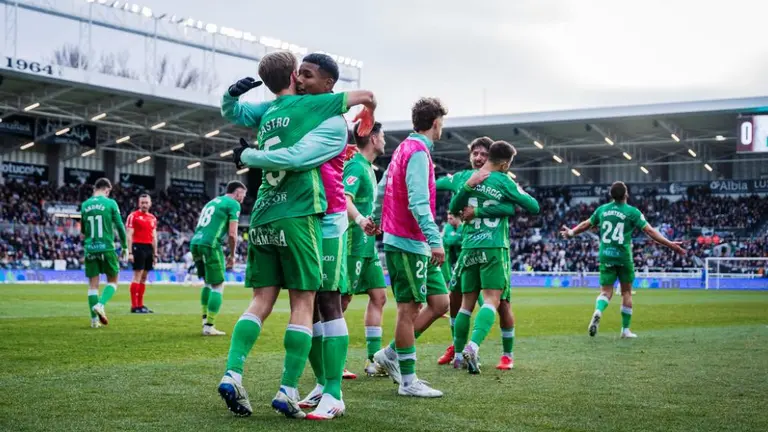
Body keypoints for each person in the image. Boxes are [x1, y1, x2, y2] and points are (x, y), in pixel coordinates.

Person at [216, 50, 376, 420]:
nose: (301, 79)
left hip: (304, 214)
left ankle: (326, 389)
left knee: (313, 301)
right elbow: (297, 152)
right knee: (310, 303)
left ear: (326, 84)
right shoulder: (306, 110)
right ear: (291, 75)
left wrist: (247, 152)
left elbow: (292, 148)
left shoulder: (308, 114)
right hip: (301, 212)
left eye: (308, 74)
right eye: (298, 73)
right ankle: (308, 386)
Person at [371, 97, 450, 398]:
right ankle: (408, 381)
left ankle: (392, 354)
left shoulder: (404, 148)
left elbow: (382, 188)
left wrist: (376, 219)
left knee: (440, 303)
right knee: (408, 309)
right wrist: (435, 239)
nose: (442, 127)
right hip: (408, 241)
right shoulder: (417, 152)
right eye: (442, 122)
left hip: (409, 240)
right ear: (435, 123)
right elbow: (418, 200)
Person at [448, 141, 540, 374]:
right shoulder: (503, 180)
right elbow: (533, 206)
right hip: (494, 246)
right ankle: (474, 346)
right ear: (506, 163)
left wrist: (473, 199)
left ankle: (458, 356)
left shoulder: (467, 178)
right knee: (492, 301)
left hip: (469, 248)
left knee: (466, 306)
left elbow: (452, 205)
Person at [560, 181, 685, 338]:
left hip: (605, 255)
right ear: (626, 194)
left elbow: (586, 224)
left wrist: (571, 233)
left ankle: (598, 310)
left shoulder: (602, 210)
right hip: (623, 257)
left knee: (605, 292)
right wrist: (671, 245)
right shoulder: (632, 212)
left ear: (611, 195)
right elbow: (650, 231)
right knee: (626, 292)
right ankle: (625, 330)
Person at [434, 137, 518, 366]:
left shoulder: (502, 179)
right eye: (475, 153)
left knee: (502, 303)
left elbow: (514, 206)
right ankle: (458, 348)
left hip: (494, 246)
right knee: (457, 299)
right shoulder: (460, 178)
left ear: (491, 157)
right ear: (470, 155)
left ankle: (506, 354)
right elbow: (433, 184)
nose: (479, 157)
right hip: (468, 250)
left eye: (484, 154)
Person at [340, 121, 388, 378]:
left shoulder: (368, 168)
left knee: (379, 296)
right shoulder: (356, 166)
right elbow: (343, 198)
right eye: (382, 136)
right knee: (341, 301)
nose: (384, 140)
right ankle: (331, 360)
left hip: (367, 245)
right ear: (372, 138)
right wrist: (360, 220)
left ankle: (373, 361)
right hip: (351, 243)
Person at [190, 181, 247, 336]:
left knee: (208, 283)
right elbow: (232, 234)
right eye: (243, 194)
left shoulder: (212, 202)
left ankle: (204, 320)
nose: (244, 197)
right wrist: (232, 255)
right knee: (218, 285)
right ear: (237, 192)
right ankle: (209, 326)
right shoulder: (233, 204)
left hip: (195, 242)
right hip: (211, 244)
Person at [80, 178, 126, 328]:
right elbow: (120, 226)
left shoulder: (85, 205)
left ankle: (94, 321)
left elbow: (83, 231)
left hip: (90, 248)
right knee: (113, 280)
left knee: (93, 285)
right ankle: (100, 304)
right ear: (107, 189)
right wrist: (125, 246)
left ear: (95, 188)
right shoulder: (110, 203)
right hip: (106, 247)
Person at [126, 194, 157, 313]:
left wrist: (155, 254)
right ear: (139, 204)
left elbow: (154, 237)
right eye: (142, 203)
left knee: (144, 278)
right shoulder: (133, 216)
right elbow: (129, 234)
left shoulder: (153, 218)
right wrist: (129, 252)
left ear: (150, 203)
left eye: (146, 202)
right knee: (137, 276)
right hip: (138, 246)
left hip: (149, 247)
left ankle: (140, 305)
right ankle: (134, 306)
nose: (144, 205)